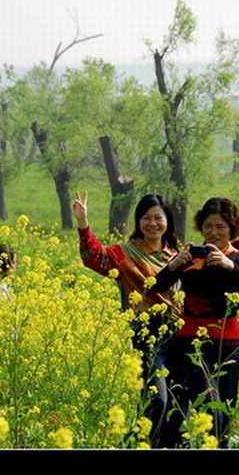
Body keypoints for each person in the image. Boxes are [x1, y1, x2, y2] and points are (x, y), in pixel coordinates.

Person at [73, 191, 180, 448]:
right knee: (156, 400)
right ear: (138, 221)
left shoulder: (177, 255)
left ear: (168, 221)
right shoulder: (125, 253)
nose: (152, 224)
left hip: (179, 334)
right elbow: (93, 258)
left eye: (158, 218)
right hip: (146, 331)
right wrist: (83, 223)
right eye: (146, 218)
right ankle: (135, 445)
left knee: (177, 404)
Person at [149, 197, 239, 448]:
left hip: (229, 345)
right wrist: (175, 264)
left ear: (232, 228)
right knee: (205, 408)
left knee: (225, 409)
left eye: (220, 226)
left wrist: (229, 266)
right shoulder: (189, 257)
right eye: (208, 226)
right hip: (189, 343)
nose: (213, 232)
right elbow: (157, 286)